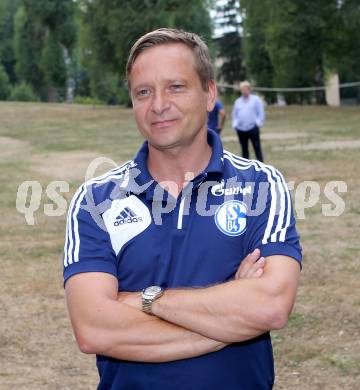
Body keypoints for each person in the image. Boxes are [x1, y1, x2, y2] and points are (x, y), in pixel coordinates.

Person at [64, 28, 302, 390]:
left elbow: (270, 306)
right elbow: (94, 329)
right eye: (143, 92)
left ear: (209, 94)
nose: (158, 104)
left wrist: (145, 300)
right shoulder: (97, 199)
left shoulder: (260, 186)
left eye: (175, 86)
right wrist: (229, 325)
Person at [232, 81, 265, 161]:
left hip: (253, 128)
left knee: (257, 147)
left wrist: (258, 123)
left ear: (249, 89)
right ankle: (245, 169)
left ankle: (261, 166)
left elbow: (261, 112)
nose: (244, 91)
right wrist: (235, 125)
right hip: (241, 129)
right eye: (242, 89)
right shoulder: (237, 102)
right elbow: (234, 115)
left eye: (245, 89)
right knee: (244, 149)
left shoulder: (255, 100)